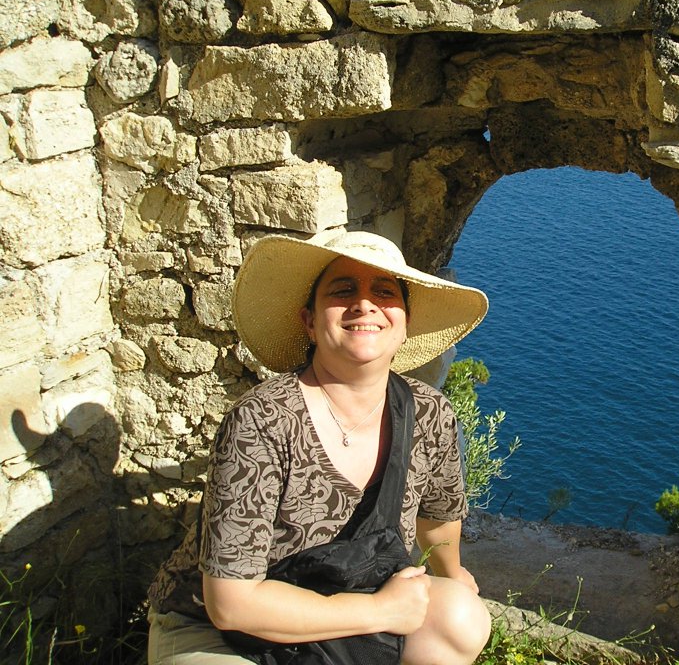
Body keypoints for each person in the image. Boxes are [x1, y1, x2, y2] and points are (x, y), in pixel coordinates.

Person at [147, 229, 492, 665]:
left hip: (348, 601)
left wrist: (453, 574)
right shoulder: (263, 420)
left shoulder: (429, 412)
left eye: (384, 293)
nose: (364, 304)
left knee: (461, 619)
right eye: (342, 291)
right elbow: (230, 604)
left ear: (405, 323)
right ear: (309, 322)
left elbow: (438, 517)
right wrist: (381, 610)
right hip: (223, 630)